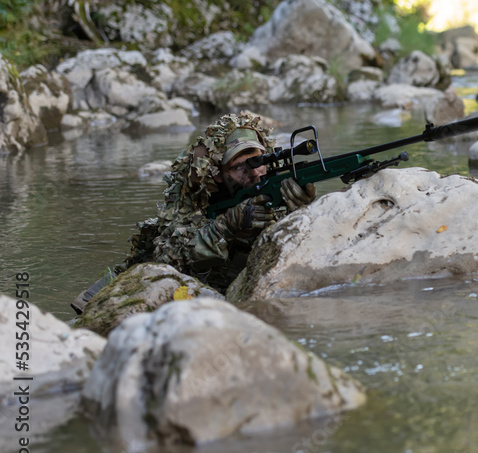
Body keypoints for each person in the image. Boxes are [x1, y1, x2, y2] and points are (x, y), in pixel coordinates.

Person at [71, 111, 316, 312]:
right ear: (217, 175)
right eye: (240, 167)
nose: (255, 173)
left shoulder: (269, 186)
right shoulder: (193, 198)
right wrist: (228, 225)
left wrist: (300, 209)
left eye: (260, 161)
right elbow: (170, 257)